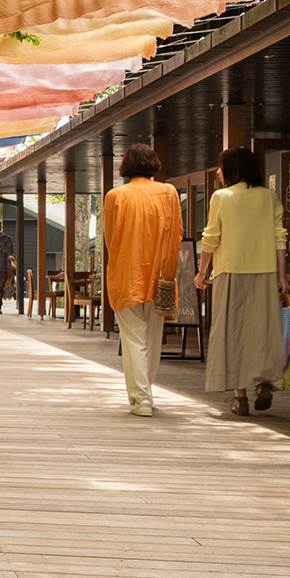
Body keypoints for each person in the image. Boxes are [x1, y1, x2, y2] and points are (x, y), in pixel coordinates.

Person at [195, 146, 289, 416]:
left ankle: (241, 399)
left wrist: (202, 272)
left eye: (222, 167)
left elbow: (211, 237)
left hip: (230, 272)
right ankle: (264, 383)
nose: (218, 172)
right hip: (265, 271)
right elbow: (279, 237)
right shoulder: (268, 197)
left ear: (233, 170)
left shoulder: (221, 197)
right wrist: (282, 277)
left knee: (232, 333)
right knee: (263, 331)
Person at [101, 142, 181, 417]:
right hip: (159, 275)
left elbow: (110, 239)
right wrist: (168, 271)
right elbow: (175, 237)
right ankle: (145, 392)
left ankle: (141, 398)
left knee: (134, 338)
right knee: (153, 339)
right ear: (153, 164)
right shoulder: (168, 193)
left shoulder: (115, 196)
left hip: (125, 274)